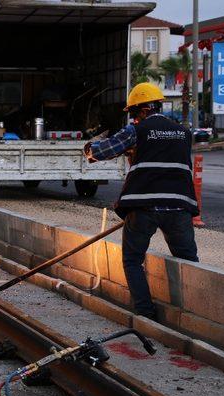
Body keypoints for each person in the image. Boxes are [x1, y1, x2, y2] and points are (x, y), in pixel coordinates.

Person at [84, 82, 199, 321]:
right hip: (179, 206)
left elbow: (101, 152)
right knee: (189, 263)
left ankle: (145, 314)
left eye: (135, 113)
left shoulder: (138, 130)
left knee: (133, 260)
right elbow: (163, 155)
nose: (134, 119)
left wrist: (89, 147)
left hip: (143, 205)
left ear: (145, 109)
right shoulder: (183, 132)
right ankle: (193, 315)